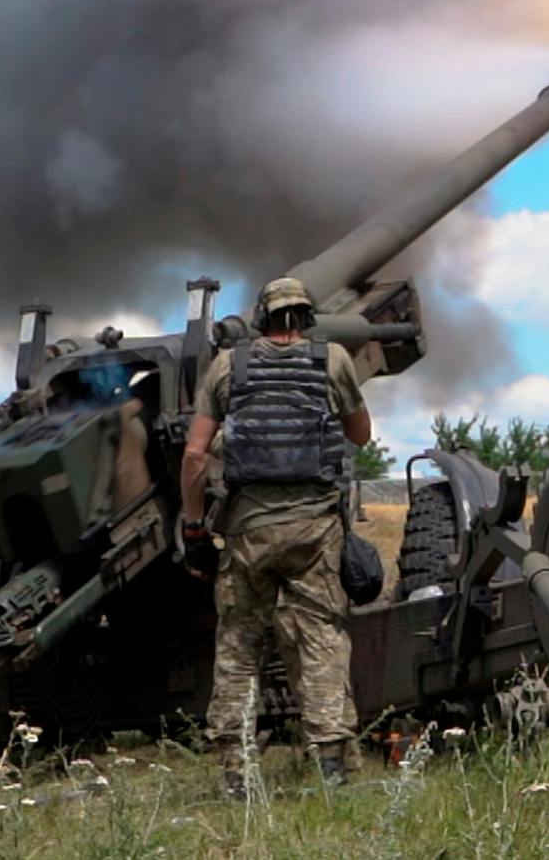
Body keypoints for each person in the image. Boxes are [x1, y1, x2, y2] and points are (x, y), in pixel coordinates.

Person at [179, 277, 372, 794]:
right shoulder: (331, 360)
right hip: (315, 529)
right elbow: (360, 435)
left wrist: (193, 523)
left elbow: (196, 455)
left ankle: (236, 772)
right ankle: (331, 764)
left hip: (248, 533)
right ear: (307, 317)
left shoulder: (228, 367)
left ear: (262, 317)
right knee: (322, 640)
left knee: (240, 646)